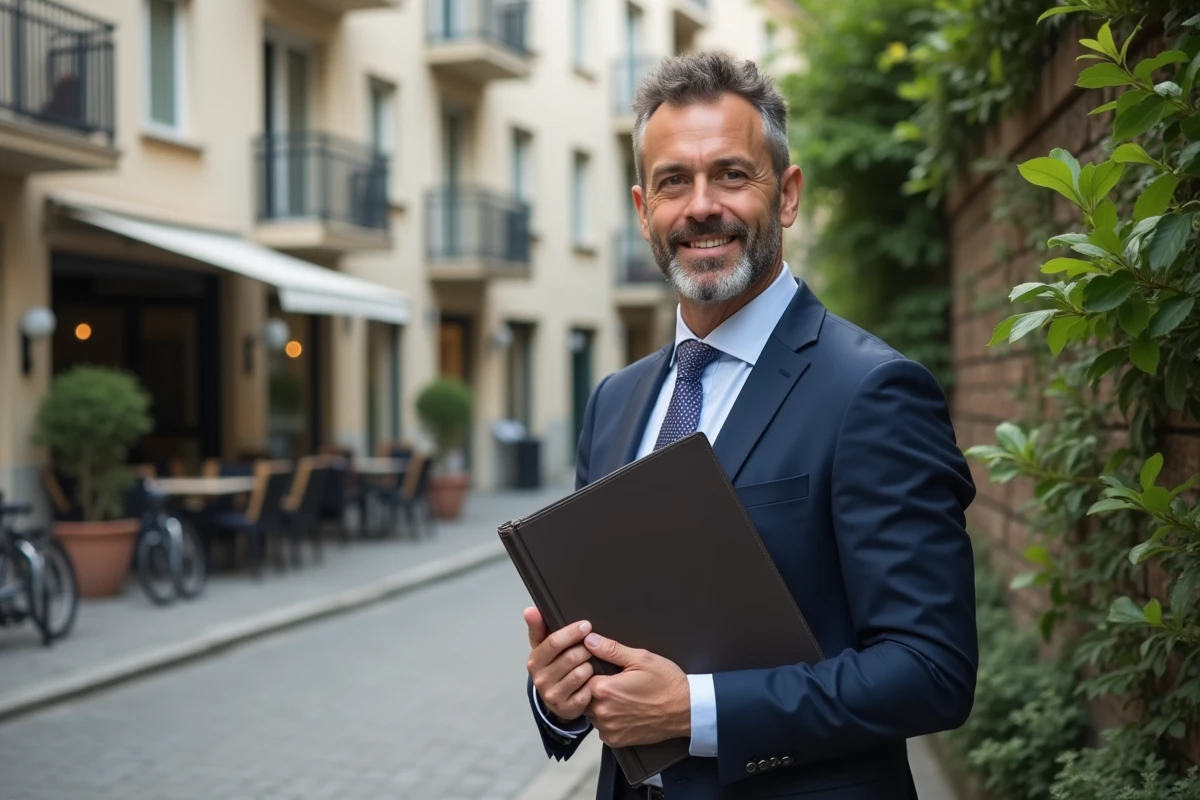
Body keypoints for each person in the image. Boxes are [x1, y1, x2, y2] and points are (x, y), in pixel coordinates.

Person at [523, 52, 978, 800]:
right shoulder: (615, 401)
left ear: (788, 194)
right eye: (674, 181)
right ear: (643, 209)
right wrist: (560, 694)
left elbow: (931, 670)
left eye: (731, 174)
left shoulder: (873, 390)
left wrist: (694, 710)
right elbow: (603, 643)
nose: (701, 206)